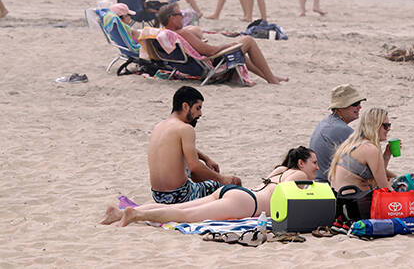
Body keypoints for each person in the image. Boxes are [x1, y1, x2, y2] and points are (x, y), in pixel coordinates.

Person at [101, 146, 319, 226]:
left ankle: (120, 213)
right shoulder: (299, 175)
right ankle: (135, 215)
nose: (317, 168)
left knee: (181, 209)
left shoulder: (280, 170)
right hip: (246, 203)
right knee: (185, 216)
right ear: (301, 163)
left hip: (238, 194)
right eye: (314, 163)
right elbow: (290, 198)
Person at [148, 86, 242, 204]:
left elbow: (178, 148)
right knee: (234, 183)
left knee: (193, 170)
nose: (200, 113)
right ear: (185, 106)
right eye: (197, 108)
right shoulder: (185, 128)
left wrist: (206, 158)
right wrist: (222, 179)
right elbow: (194, 167)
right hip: (181, 196)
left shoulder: (159, 126)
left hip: (158, 196)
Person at [157, 3, 287, 84]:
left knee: (239, 51)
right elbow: (210, 51)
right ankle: (271, 79)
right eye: (180, 14)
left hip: (190, 66)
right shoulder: (181, 33)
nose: (183, 16)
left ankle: (269, 76)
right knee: (248, 41)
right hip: (211, 62)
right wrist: (225, 46)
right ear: (172, 18)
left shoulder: (167, 35)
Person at [329, 107, 397, 192]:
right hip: (354, 201)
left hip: (340, 197)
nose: (389, 129)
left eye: (389, 125)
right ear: (375, 126)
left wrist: (387, 155)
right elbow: (384, 187)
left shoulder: (353, 143)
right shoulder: (370, 149)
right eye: (386, 126)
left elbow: (379, 173)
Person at [309, 84, 366, 182]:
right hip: (330, 187)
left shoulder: (327, 123)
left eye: (359, 103)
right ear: (340, 108)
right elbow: (369, 165)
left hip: (319, 182)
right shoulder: (341, 129)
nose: (360, 107)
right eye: (355, 104)